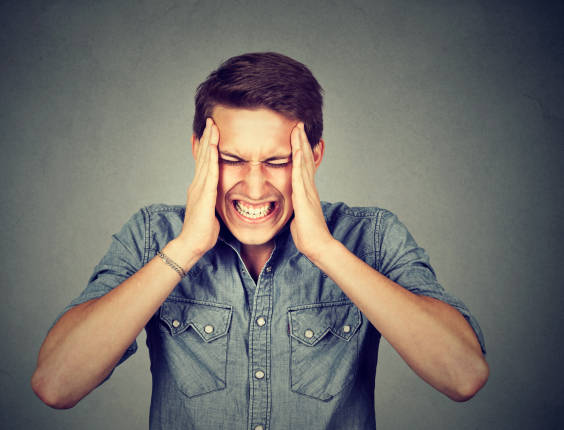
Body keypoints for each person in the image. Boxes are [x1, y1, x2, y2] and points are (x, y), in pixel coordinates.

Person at [31, 52, 488, 430]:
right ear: (199, 151)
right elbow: (55, 384)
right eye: (232, 159)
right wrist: (186, 248)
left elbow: (464, 376)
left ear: (313, 156)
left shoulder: (371, 235)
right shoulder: (154, 235)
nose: (254, 187)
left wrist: (325, 250)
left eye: (278, 161)